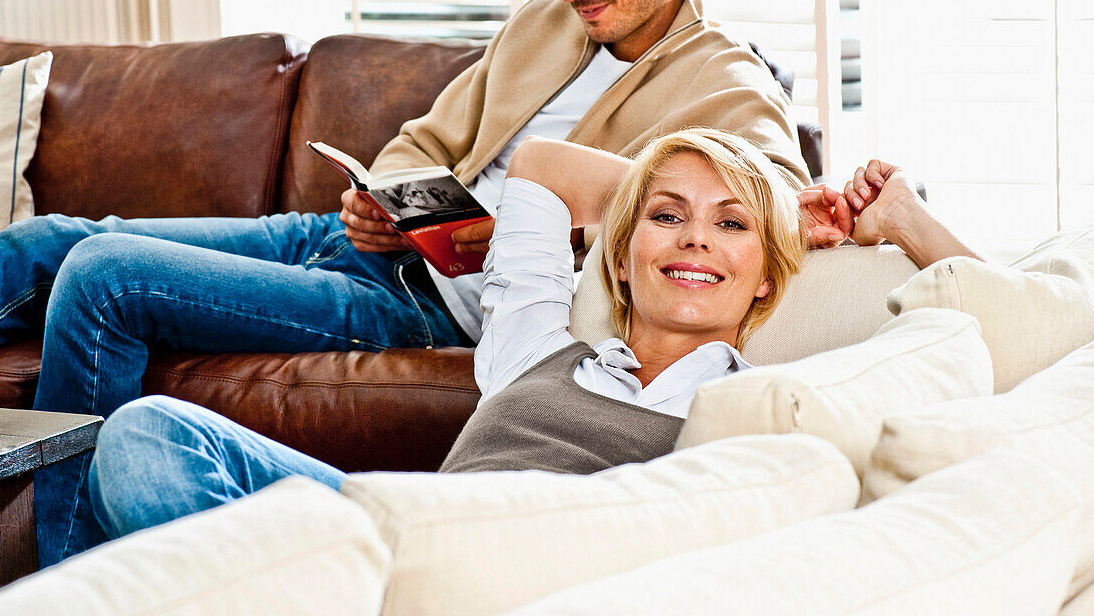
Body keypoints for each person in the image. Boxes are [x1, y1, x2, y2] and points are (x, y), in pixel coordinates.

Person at [0, 0, 810, 566]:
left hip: (428, 300)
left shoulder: (727, 79)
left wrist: (540, 228)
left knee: (106, 275)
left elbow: (766, 199)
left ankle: (63, 576)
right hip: (359, 242)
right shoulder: (545, 26)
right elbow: (425, 140)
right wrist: (381, 197)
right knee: (46, 240)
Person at [87, 128, 979, 551]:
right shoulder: (533, 344)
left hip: (503, 573)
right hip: (397, 527)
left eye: (731, 227)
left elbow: (1019, 334)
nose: (696, 238)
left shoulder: (768, 401)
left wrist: (900, 218)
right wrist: (766, 203)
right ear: (622, 263)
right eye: (666, 218)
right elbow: (547, 165)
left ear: (769, 283)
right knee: (147, 433)